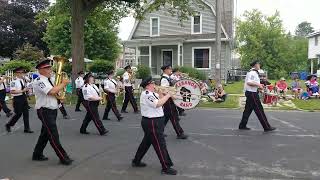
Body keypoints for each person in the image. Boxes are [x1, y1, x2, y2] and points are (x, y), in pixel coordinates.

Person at [132, 76, 177, 175]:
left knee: (146, 143)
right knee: (160, 144)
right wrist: (168, 95)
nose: (155, 84)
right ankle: (166, 167)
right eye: (152, 83)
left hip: (156, 121)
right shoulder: (147, 94)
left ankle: (136, 160)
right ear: (148, 86)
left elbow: (161, 101)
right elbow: (158, 104)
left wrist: (162, 92)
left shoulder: (153, 93)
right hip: (152, 122)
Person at [32, 59, 73, 165]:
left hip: (52, 110)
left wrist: (60, 97)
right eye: (47, 68)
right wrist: (63, 84)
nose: (50, 70)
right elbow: (52, 91)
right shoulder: (39, 81)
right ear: (40, 70)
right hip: (44, 110)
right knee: (53, 135)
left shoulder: (51, 79)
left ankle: (37, 154)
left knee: (45, 134)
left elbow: (56, 91)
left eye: (50, 67)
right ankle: (63, 157)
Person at [238, 61, 276, 132]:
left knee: (247, 110)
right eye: (258, 64)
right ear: (255, 65)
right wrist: (259, 85)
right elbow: (249, 82)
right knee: (259, 110)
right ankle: (266, 127)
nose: (259, 65)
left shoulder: (254, 72)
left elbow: (254, 83)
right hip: (252, 94)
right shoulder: (252, 73)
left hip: (251, 92)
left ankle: (242, 125)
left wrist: (259, 87)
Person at [160, 65, 188, 139]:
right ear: (165, 70)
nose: (171, 70)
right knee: (174, 116)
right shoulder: (164, 79)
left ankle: (159, 132)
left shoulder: (168, 78)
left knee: (166, 117)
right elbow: (164, 90)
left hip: (169, 99)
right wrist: (172, 97)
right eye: (169, 69)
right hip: (168, 100)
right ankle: (180, 133)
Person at [5, 67, 33, 133]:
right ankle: (9, 124)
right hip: (17, 99)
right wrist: (23, 90)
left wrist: (27, 91)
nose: (22, 74)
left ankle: (27, 128)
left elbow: (29, 83)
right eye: (20, 73)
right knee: (18, 114)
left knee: (26, 113)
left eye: (22, 72)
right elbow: (12, 91)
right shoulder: (13, 81)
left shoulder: (23, 80)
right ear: (16, 73)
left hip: (23, 97)